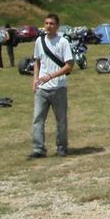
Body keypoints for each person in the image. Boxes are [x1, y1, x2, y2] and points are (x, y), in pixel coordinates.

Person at [30, 13, 74, 158]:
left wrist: (50, 76)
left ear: (57, 26)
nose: (48, 26)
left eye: (51, 24)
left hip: (58, 87)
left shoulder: (63, 42)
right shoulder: (39, 41)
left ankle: (62, 147)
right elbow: (37, 61)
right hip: (42, 89)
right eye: (46, 23)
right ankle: (38, 148)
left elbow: (69, 66)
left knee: (61, 120)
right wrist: (35, 80)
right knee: (37, 119)